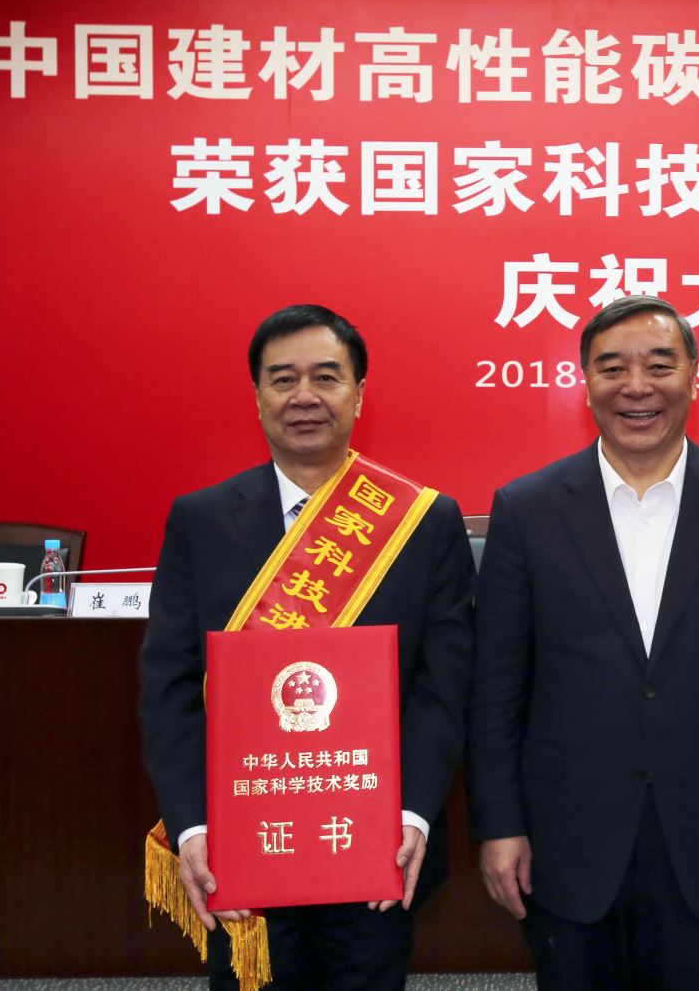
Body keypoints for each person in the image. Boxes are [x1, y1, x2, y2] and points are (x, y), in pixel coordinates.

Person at [469, 296, 699, 990]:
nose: (636, 387)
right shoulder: (527, 509)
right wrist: (499, 825)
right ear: (585, 382)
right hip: (567, 837)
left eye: (659, 365)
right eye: (612, 368)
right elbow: (497, 689)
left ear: (694, 376)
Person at [138, 304, 475, 991]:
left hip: (375, 838)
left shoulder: (423, 521)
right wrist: (194, 825)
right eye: (283, 378)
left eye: (326, 377)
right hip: (241, 839)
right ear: (257, 395)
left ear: (358, 393)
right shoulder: (201, 519)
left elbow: (443, 686)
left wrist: (411, 813)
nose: (304, 396)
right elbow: (169, 686)